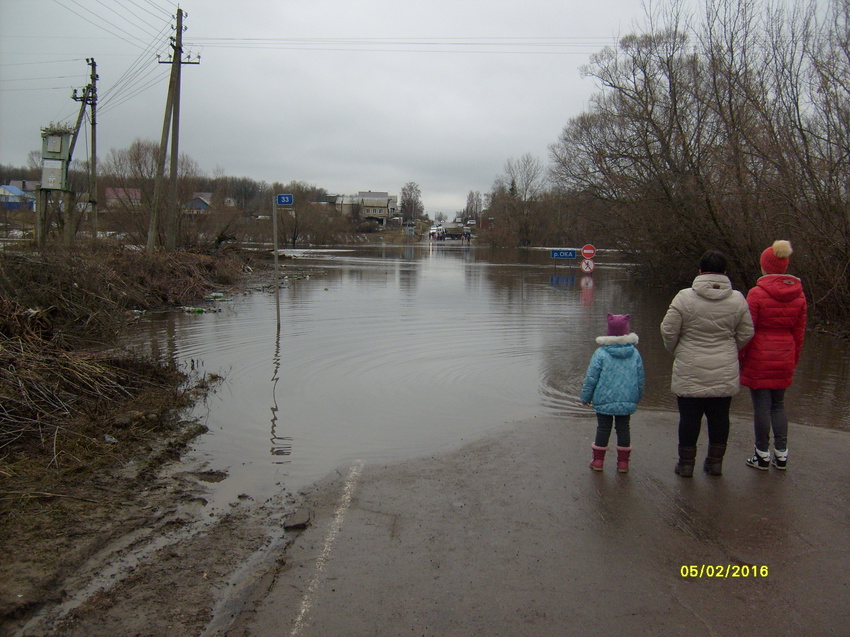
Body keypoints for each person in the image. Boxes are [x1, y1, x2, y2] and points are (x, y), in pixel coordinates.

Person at [660, 250, 754, 477]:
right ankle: (714, 463)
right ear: (725, 272)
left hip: (690, 365)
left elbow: (668, 330)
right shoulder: (738, 299)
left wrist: (678, 350)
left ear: (700, 271)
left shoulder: (684, 297)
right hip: (724, 365)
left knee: (689, 418)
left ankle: (685, 465)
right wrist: (730, 349)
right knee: (720, 417)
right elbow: (747, 332)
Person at [739, 240, 807, 471]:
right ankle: (782, 454)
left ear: (765, 266)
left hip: (760, 355)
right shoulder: (799, 295)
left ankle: (761, 454)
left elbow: (747, 330)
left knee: (761, 407)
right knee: (778, 405)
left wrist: (740, 358)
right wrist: (793, 358)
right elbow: (799, 333)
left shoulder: (756, 294)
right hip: (785, 354)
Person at [581, 313, 645, 473]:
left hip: (603, 398)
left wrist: (585, 397)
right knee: (624, 428)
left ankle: (598, 461)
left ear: (608, 332)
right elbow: (640, 377)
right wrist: (637, 396)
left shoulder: (601, 353)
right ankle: (623, 463)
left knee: (603, 428)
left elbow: (591, 378)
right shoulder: (635, 353)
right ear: (627, 332)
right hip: (627, 399)